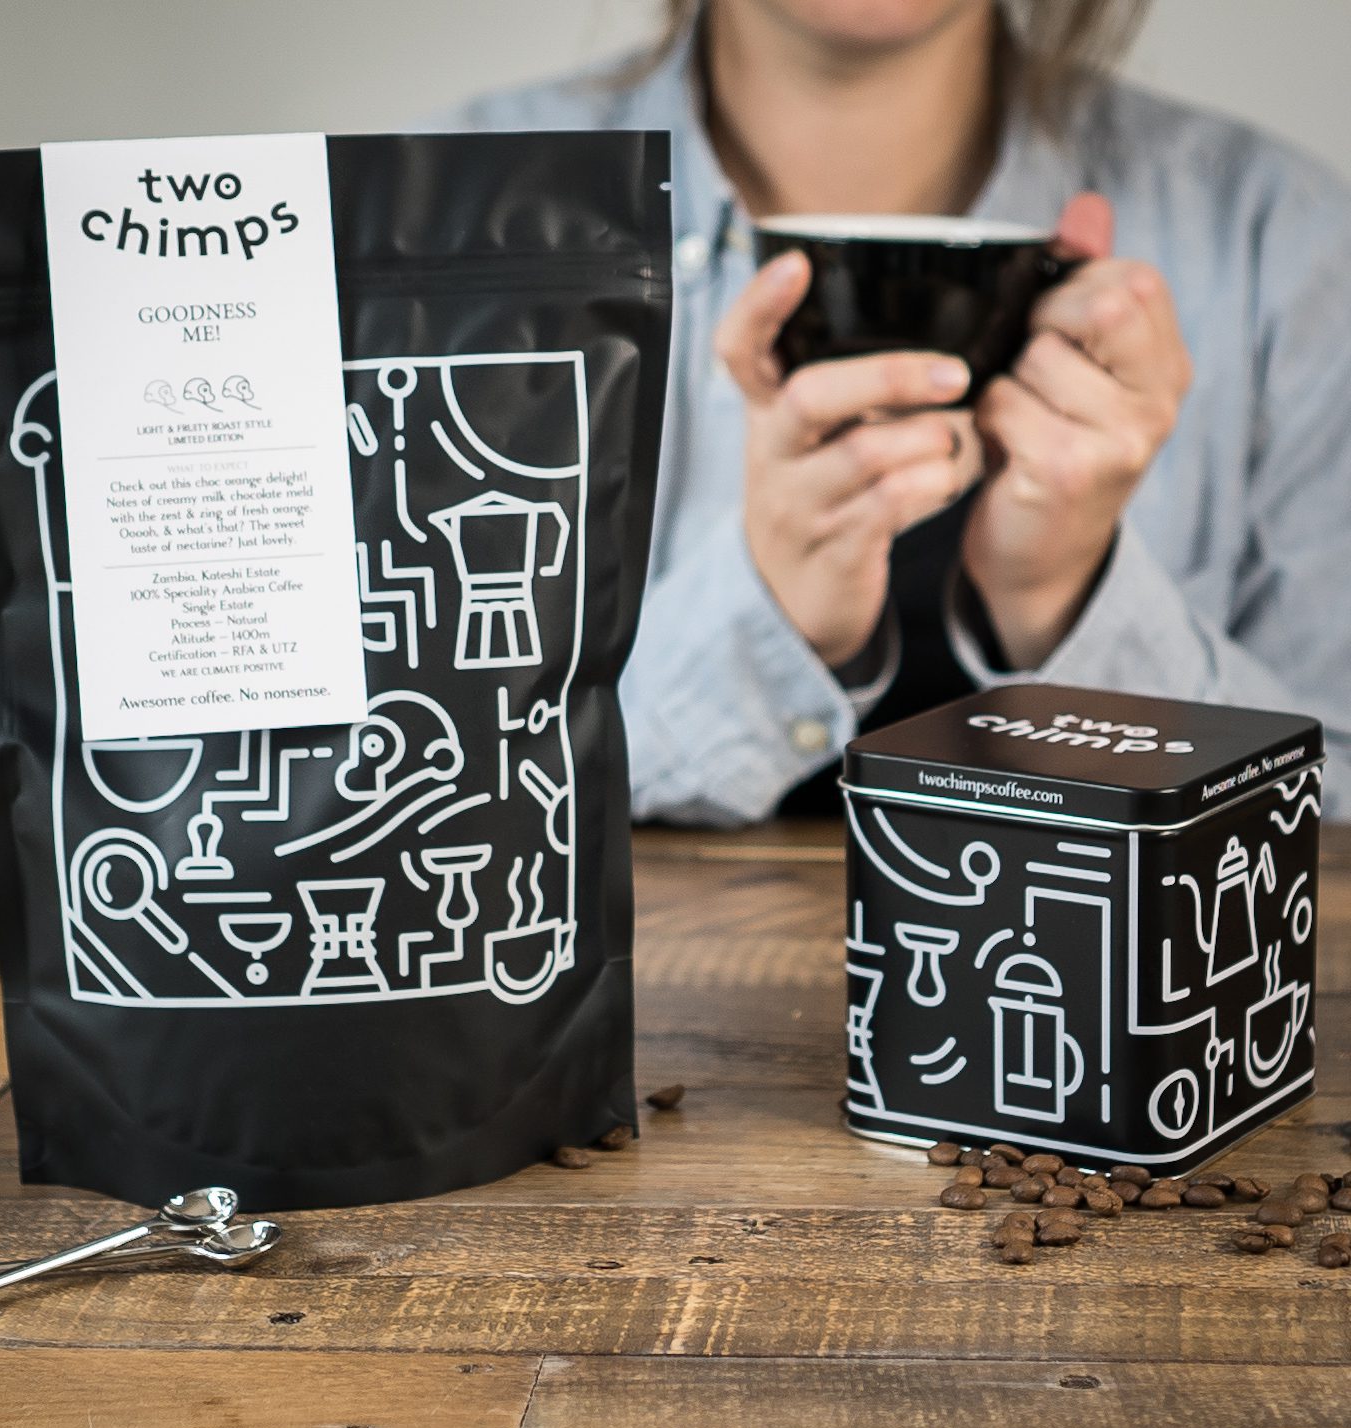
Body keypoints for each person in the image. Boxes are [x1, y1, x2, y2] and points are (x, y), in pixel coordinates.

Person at [430, 0, 1351, 823]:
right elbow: (396, 802)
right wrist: (761, 619)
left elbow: (1334, 800)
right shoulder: (445, 217)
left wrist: (1068, 599)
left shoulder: (1283, 247)